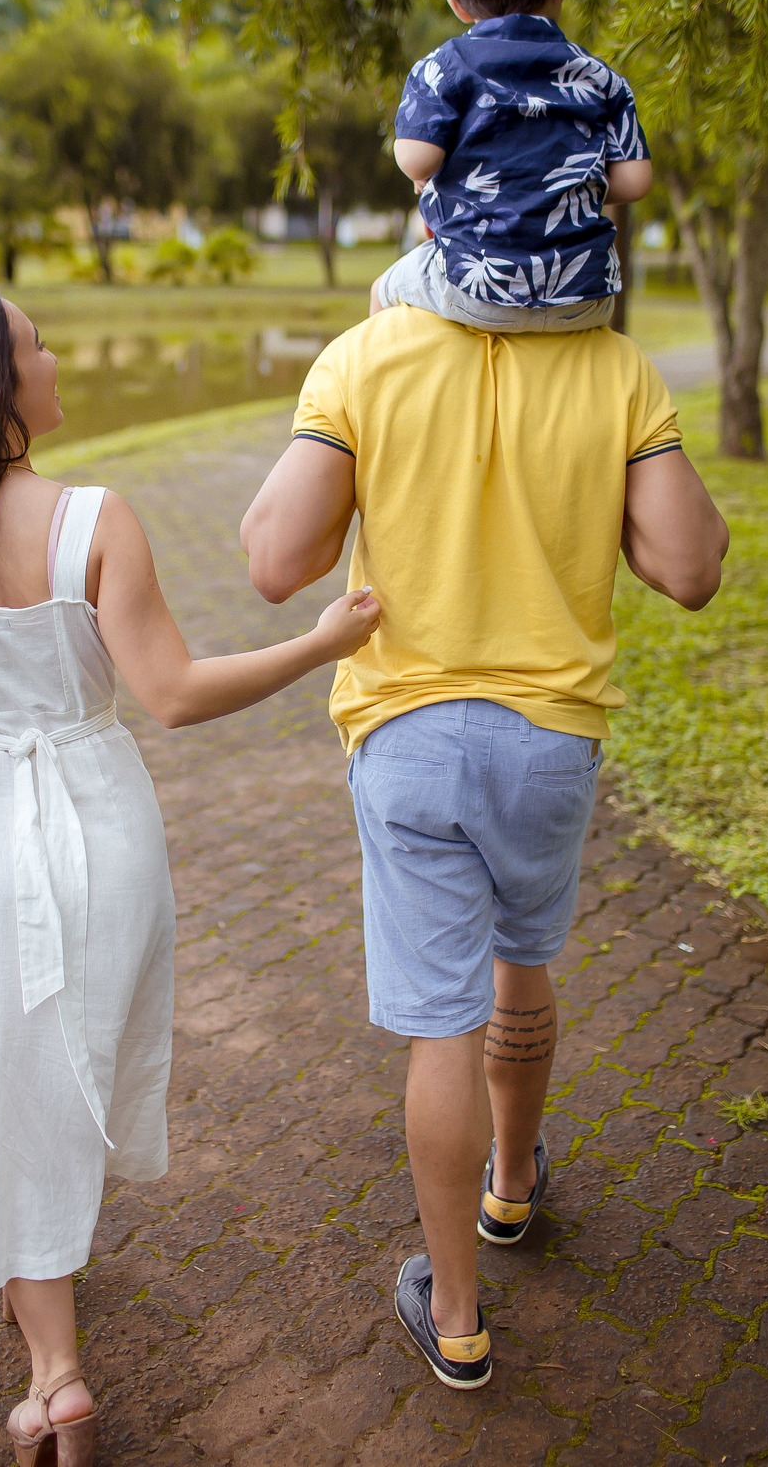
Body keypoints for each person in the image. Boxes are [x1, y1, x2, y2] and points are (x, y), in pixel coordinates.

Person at [0, 282, 379, 1465]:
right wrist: (320, 644)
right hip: (97, 827)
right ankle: (53, 1351)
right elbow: (174, 695)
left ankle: (53, 1367)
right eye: (37, 345)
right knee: (59, 1075)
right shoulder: (93, 518)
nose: (55, 358)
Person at [240, 299, 728, 1390]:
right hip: (549, 739)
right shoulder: (617, 368)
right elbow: (691, 567)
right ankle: (512, 1185)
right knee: (521, 958)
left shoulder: (364, 356)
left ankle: (457, 1318)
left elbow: (274, 560)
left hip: (406, 733)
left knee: (440, 1024)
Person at [376, 0, 652, 332]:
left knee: (382, 289)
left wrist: (425, 172)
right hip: (584, 296)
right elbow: (636, 180)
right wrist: (559, 184)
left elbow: (416, 158)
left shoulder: (444, 67)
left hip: (475, 289)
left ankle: (383, 374)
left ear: (456, 4)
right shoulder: (600, 78)